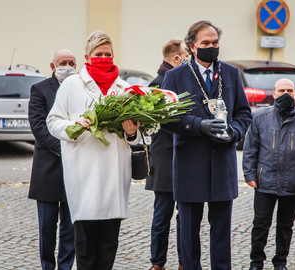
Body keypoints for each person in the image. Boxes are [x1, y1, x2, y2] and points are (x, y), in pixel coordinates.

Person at [161, 20, 252, 269]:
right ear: (192, 46)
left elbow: (244, 114)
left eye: (215, 42)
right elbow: (166, 119)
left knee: (221, 230)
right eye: (205, 43)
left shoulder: (231, 74)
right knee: (188, 229)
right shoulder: (175, 76)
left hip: (222, 162)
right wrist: (197, 125)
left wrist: (234, 132)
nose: (211, 47)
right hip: (191, 161)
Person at [46, 31, 141, 270]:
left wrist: (132, 132)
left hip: (114, 174)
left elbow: (137, 136)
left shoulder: (124, 88)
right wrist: (73, 126)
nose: (104, 58)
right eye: (99, 54)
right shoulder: (71, 85)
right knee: (85, 247)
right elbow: (53, 121)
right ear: (87, 57)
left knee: (109, 244)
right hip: (84, 171)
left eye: (108, 54)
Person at [242, 78, 295, 270]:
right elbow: (250, 149)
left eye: (290, 90)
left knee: (285, 226)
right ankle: (256, 263)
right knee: (260, 225)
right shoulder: (259, 117)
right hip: (264, 181)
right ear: (274, 94)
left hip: (293, 183)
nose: (286, 94)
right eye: (282, 90)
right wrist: (250, 175)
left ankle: (280, 263)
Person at [28, 49, 76, 270]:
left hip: (75, 170)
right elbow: (39, 127)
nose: (68, 66)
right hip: (48, 169)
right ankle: (47, 266)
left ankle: (65, 266)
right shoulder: (39, 90)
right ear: (53, 65)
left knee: (70, 228)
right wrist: (65, 147)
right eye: (63, 62)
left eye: (72, 62)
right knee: (47, 226)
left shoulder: (79, 89)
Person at [145, 39, 189, 270]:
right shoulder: (158, 84)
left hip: (181, 156)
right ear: (176, 59)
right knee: (162, 215)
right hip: (165, 158)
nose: (188, 60)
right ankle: (157, 263)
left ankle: (184, 261)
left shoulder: (180, 80)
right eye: (185, 56)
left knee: (185, 216)